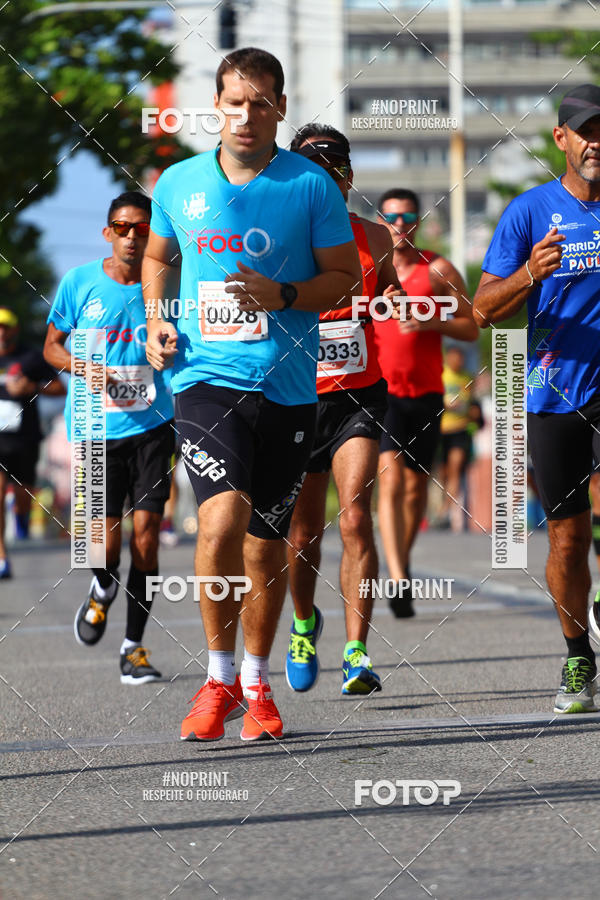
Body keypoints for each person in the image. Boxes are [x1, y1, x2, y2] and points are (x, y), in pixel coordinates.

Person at [143, 48, 361, 742]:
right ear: (217, 104)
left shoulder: (310, 186)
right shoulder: (177, 183)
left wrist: (285, 294)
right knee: (219, 523)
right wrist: (155, 317)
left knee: (268, 549)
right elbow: (157, 256)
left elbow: (345, 277)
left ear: (280, 108)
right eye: (234, 101)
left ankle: (256, 687)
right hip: (206, 380)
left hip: (291, 387)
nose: (245, 114)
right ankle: (215, 678)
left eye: (260, 102)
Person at [473, 83, 600, 713]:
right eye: (586, 131)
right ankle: (578, 656)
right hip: (554, 393)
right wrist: (530, 274)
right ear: (563, 139)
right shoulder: (528, 212)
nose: (597, 141)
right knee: (567, 540)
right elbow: (482, 310)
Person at [285, 124, 401, 695]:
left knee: (354, 516)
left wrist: (398, 302)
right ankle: (304, 624)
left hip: (359, 392)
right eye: (313, 171)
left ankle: (357, 652)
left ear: (347, 178)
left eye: (334, 171)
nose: (324, 181)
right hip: (297, 396)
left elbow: (396, 295)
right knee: (303, 533)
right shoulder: (276, 237)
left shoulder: (376, 239)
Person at [44, 191, 175, 684]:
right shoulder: (79, 282)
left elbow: (181, 342)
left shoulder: (164, 284)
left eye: (141, 228)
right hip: (96, 428)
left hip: (151, 426)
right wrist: (86, 369)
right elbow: (51, 347)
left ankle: (133, 648)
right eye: (123, 227)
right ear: (108, 232)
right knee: (104, 545)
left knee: (147, 539)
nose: (132, 236)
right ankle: (101, 590)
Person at [373, 189, 478, 617]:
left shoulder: (437, 269)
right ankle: (397, 577)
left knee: (416, 489)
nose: (400, 224)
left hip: (427, 394)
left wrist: (430, 319)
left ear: (417, 222)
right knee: (391, 481)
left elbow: (473, 324)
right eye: (392, 217)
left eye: (408, 217)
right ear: (381, 220)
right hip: (381, 392)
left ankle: (403, 562)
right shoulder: (369, 269)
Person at [0, 308, 65, 578]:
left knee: (24, 492)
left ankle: (22, 514)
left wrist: (33, 388)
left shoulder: (31, 357)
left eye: (5, 327)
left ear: (14, 330)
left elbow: (60, 387)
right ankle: (2, 557)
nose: (0, 332)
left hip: (25, 438)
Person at [438, 346, 477, 531]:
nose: (458, 361)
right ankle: (442, 506)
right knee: (444, 472)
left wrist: (474, 414)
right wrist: (445, 404)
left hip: (461, 429)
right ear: (448, 357)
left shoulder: (468, 378)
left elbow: (473, 402)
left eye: (461, 358)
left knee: (456, 468)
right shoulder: (441, 375)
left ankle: (446, 511)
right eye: (454, 357)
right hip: (442, 430)